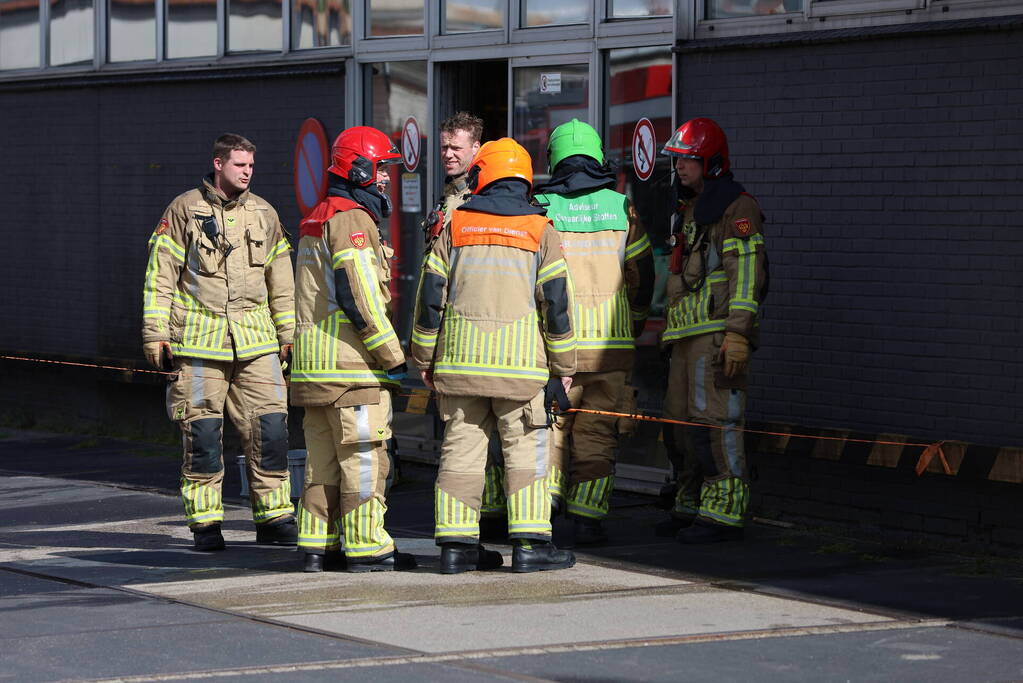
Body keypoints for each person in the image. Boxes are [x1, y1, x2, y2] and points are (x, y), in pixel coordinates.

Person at [410, 137, 577, 574]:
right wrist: (564, 371)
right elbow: (556, 306)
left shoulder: (457, 226)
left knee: (461, 451)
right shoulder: (542, 231)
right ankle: (530, 546)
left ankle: (456, 548)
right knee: (525, 452)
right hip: (520, 371)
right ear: (524, 179)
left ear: (482, 176)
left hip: (461, 366)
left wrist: (423, 358)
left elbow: (430, 297)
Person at [142, 134, 296, 552]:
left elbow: (281, 281)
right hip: (198, 345)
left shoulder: (264, 212)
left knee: (271, 429)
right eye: (240, 164)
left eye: (251, 165)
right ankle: (206, 524)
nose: (247, 172)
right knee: (203, 434)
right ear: (218, 163)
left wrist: (287, 336)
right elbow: (160, 277)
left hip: (257, 343)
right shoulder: (183, 210)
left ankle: (275, 516)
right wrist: (155, 335)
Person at [290, 126, 416, 573]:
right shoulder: (351, 220)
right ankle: (369, 549)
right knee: (365, 462)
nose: (386, 178)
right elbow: (359, 297)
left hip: (315, 371)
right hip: (351, 371)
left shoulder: (317, 216)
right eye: (382, 168)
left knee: (321, 465)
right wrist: (393, 358)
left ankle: (315, 546)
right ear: (359, 168)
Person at [532, 119, 655, 545]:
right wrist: (634, 321)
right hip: (611, 348)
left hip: (555, 346)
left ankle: (540, 520)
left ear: (555, 158)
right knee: (599, 433)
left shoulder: (543, 205)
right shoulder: (622, 208)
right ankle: (588, 520)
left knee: (550, 431)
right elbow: (642, 275)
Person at [657, 117, 767, 543]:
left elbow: (746, 275)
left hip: (717, 336)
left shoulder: (737, 208)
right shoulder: (688, 209)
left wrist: (738, 333)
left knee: (714, 424)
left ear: (712, 162)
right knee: (679, 426)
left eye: (689, 160)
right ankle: (689, 504)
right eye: (679, 160)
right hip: (685, 338)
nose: (680, 167)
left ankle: (724, 510)